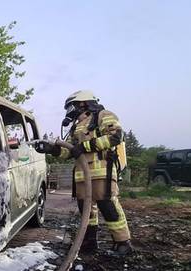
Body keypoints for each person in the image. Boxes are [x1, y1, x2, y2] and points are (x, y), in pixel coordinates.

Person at [36, 90, 133, 255]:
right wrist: (52, 149)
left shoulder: (103, 115)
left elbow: (116, 137)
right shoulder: (76, 126)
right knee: (86, 209)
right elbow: (69, 151)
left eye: (71, 106)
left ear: (83, 103)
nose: (69, 111)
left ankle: (123, 243)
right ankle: (89, 242)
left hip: (102, 172)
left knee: (108, 206)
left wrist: (84, 147)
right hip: (82, 176)